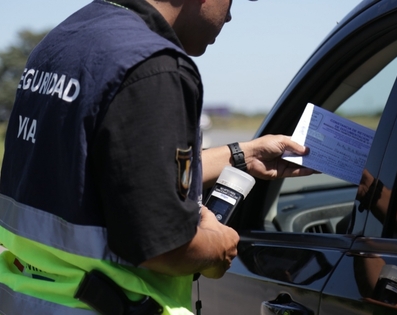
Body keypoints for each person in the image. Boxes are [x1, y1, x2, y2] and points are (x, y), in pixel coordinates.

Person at [0, 0, 315, 314]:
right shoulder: (152, 65)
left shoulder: (62, 41)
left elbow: (106, 171)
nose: (230, 15)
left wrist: (240, 155)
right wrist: (218, 247)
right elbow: (164, 247)